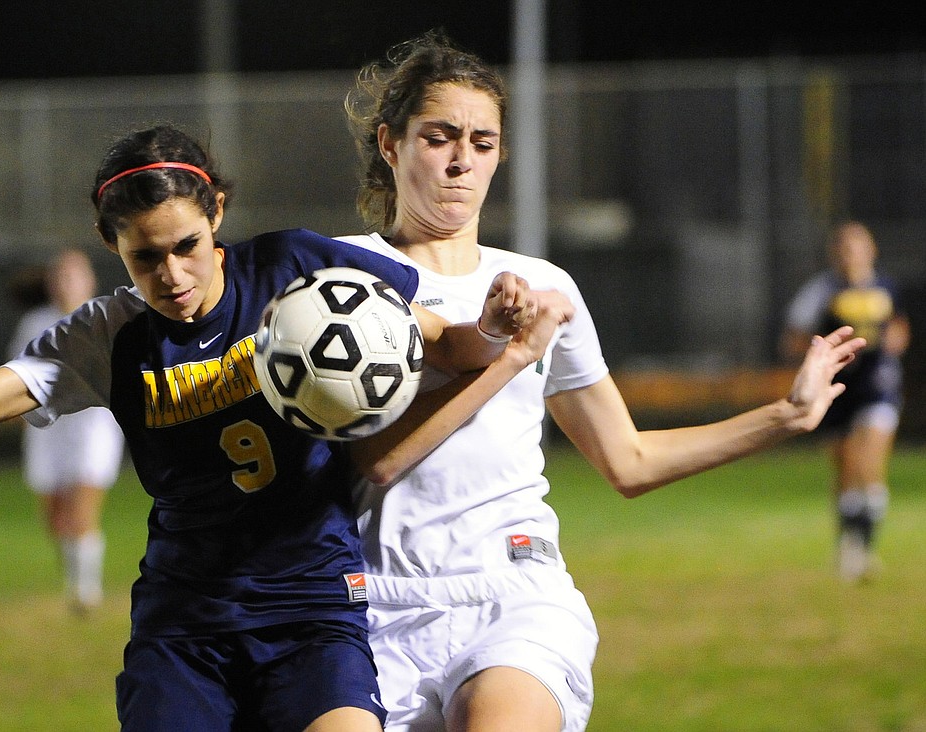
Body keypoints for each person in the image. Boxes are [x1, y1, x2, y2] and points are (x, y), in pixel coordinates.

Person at [0, 124, 567, 732]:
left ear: (217, 211)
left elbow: (445, 345)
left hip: (312, 609)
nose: (172, 274)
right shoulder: (108, 336)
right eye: (145, 257)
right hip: (186, 624)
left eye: (187, 246)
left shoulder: (295, 266)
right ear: (112, 246)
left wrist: (494, 328)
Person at [337, 32, 867, 732]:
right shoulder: (344, 279)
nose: (463, 160)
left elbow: (628, 460)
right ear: (389, 143)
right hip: (371, 605)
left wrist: (785, 417)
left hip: (513, 594)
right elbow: (369, 462)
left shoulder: (548, 286)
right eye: (439, 137)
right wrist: (505, 352)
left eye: (484, 141)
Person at [781, 220, 911, 582]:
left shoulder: (886, 288)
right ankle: (849, 545)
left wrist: (891, 343)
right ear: (834, 253)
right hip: (837, 390)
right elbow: (793, 336)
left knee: (868, 462)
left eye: (858, 245)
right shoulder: (821, 290)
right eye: (844, 247)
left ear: (871, 250)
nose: (851, 253)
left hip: (878, 387)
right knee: (846, 472)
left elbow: (900, 327)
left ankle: (864, 550)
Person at [6, 249, 126, 613]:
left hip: (92, 430)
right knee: (56, 519)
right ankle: (76, 578)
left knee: (81, 510)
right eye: (60, 276)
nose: (67, 283)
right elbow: (15, 375)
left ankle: (86, 592)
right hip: (47, 432)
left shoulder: (106, 319)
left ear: (90, 281)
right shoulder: (34, 323)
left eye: (75, 275)